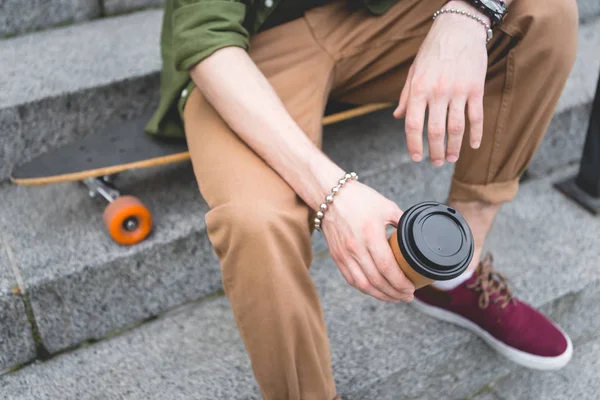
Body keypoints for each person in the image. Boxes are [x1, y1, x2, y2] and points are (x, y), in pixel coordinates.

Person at [146, 0, 579, 398]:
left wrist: (470, 12)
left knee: (544, 11)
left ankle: (454, 273)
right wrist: (332, 195)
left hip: (376, 18)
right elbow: (205, 35)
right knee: (256, 220)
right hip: (249, 48)